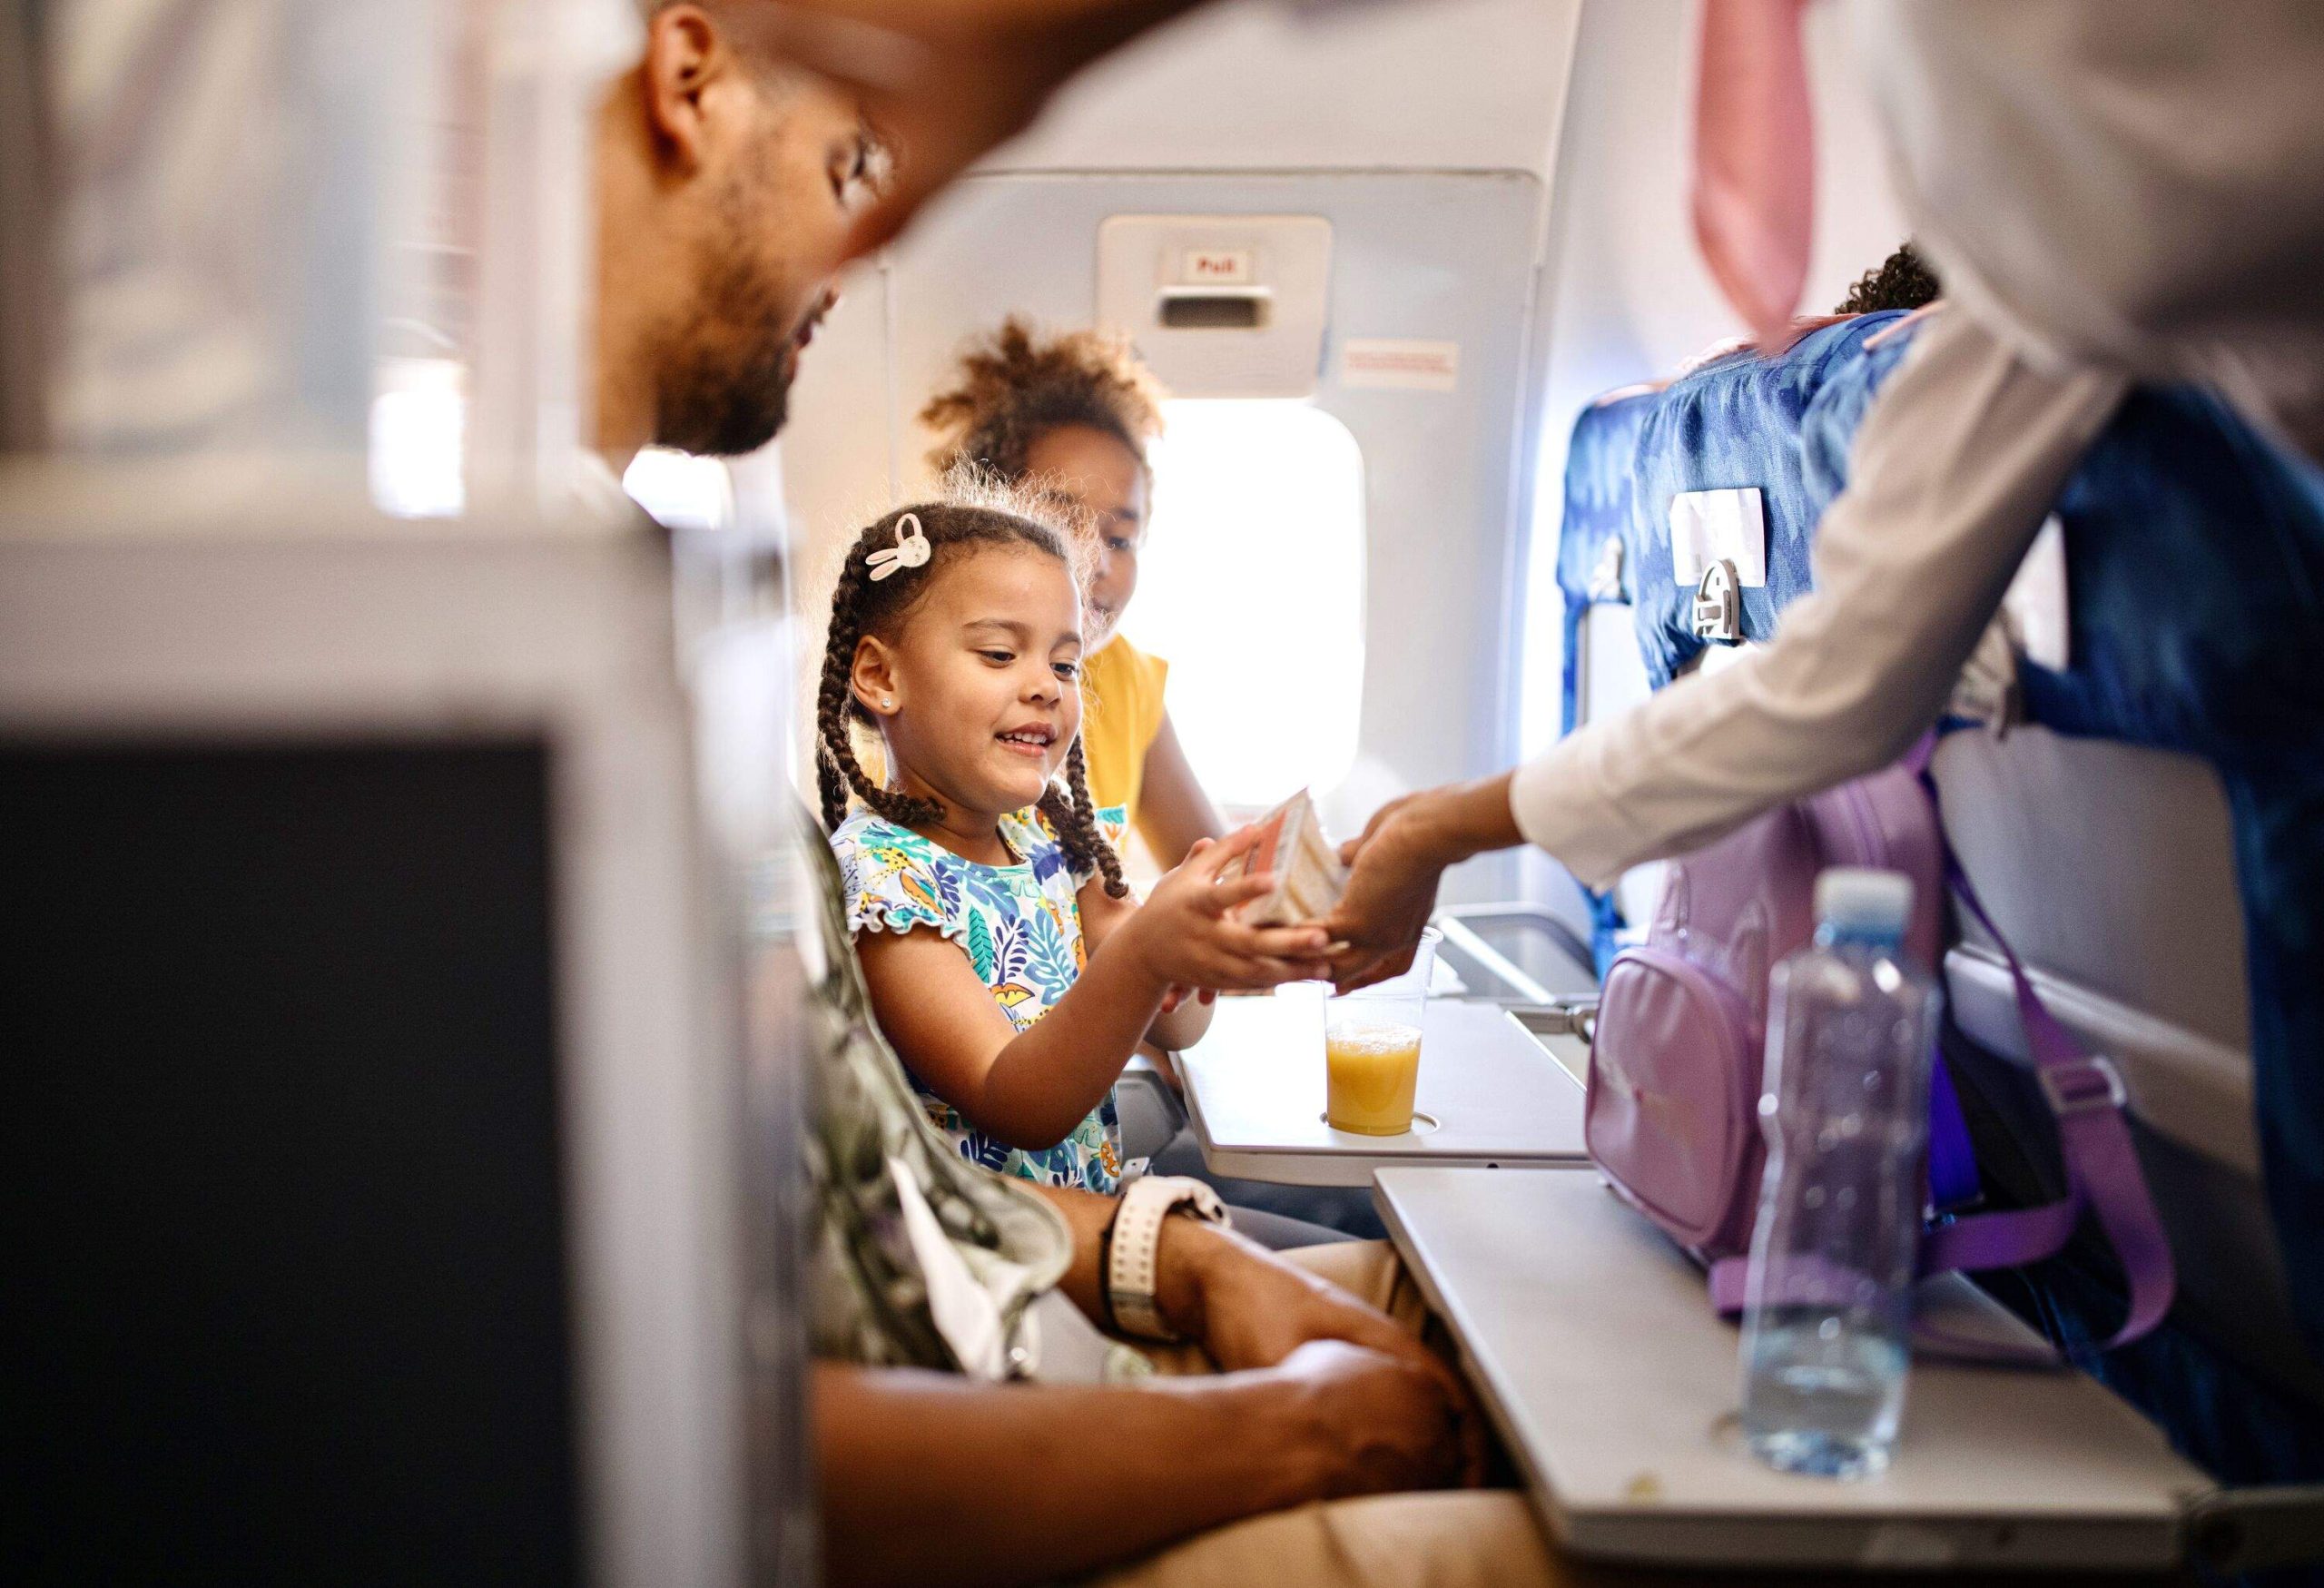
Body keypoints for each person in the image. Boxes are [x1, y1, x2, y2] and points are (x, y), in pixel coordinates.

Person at [596, 10, 1542, 1586]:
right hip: (1034, 1329)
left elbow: (931, 1187)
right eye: (848, 163)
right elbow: (1012, 1113)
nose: (864, 243)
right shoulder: (850, 851)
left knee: (1510, 1328)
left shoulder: (1015, 804)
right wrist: (1278, 1401)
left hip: (1076, 1261)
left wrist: (1178, 1239)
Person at [815, 485, 1323, 1190]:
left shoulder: (1050, 839)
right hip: (1011, 1259)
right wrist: (1145, 958)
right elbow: (1016, 1101)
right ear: (880, 675)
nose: (1047, 687)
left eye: (1063, 664)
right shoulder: (887, 888)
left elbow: (1176, 1030)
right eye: (998, 653)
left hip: (1102, 1211)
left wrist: (1198, 945)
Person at [921, 319, 1227, 865]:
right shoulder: (947, 680)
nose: (1094, 562)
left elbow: (1216, 864)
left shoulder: (1123, 673)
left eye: (1121, 538)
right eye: (1062, 527)